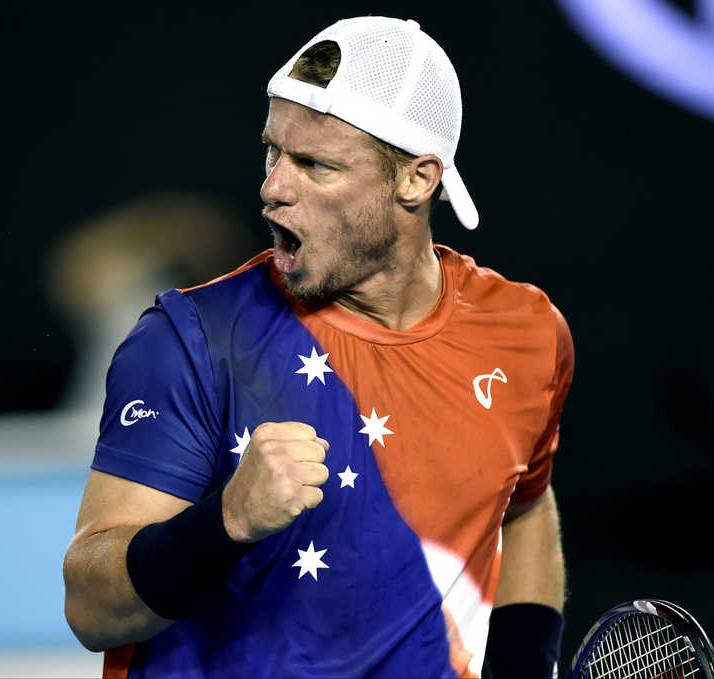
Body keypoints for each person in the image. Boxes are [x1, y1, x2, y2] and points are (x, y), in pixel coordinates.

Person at [63, 16, 573, 679]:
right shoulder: (191, 339)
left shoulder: (527, 332)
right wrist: (225, 520)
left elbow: (526, 504)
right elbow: (90, 608)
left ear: (417, 181)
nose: (274, 187)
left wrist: (524, 665)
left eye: (315, 165)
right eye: (274, 152)